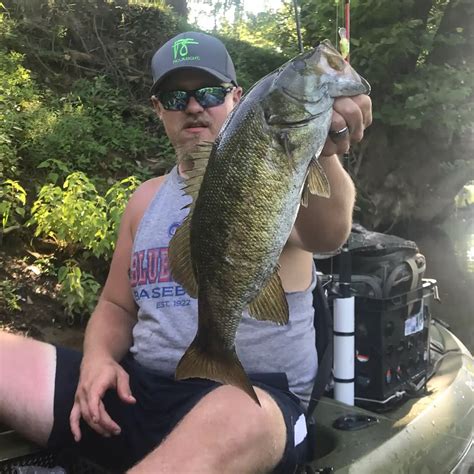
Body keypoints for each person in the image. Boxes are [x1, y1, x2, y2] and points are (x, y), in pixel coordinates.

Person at [0, 31, 372, 473]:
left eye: (210, 92)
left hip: (252, 401)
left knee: (241, 418)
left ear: (236, 97)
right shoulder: (144, 200)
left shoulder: (281, 172)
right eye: (176, 97)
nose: (194, 106)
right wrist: (98, 360)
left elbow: (328, 235)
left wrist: (322, 148)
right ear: (159, 110)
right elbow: (117, 306)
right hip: (137, 396)